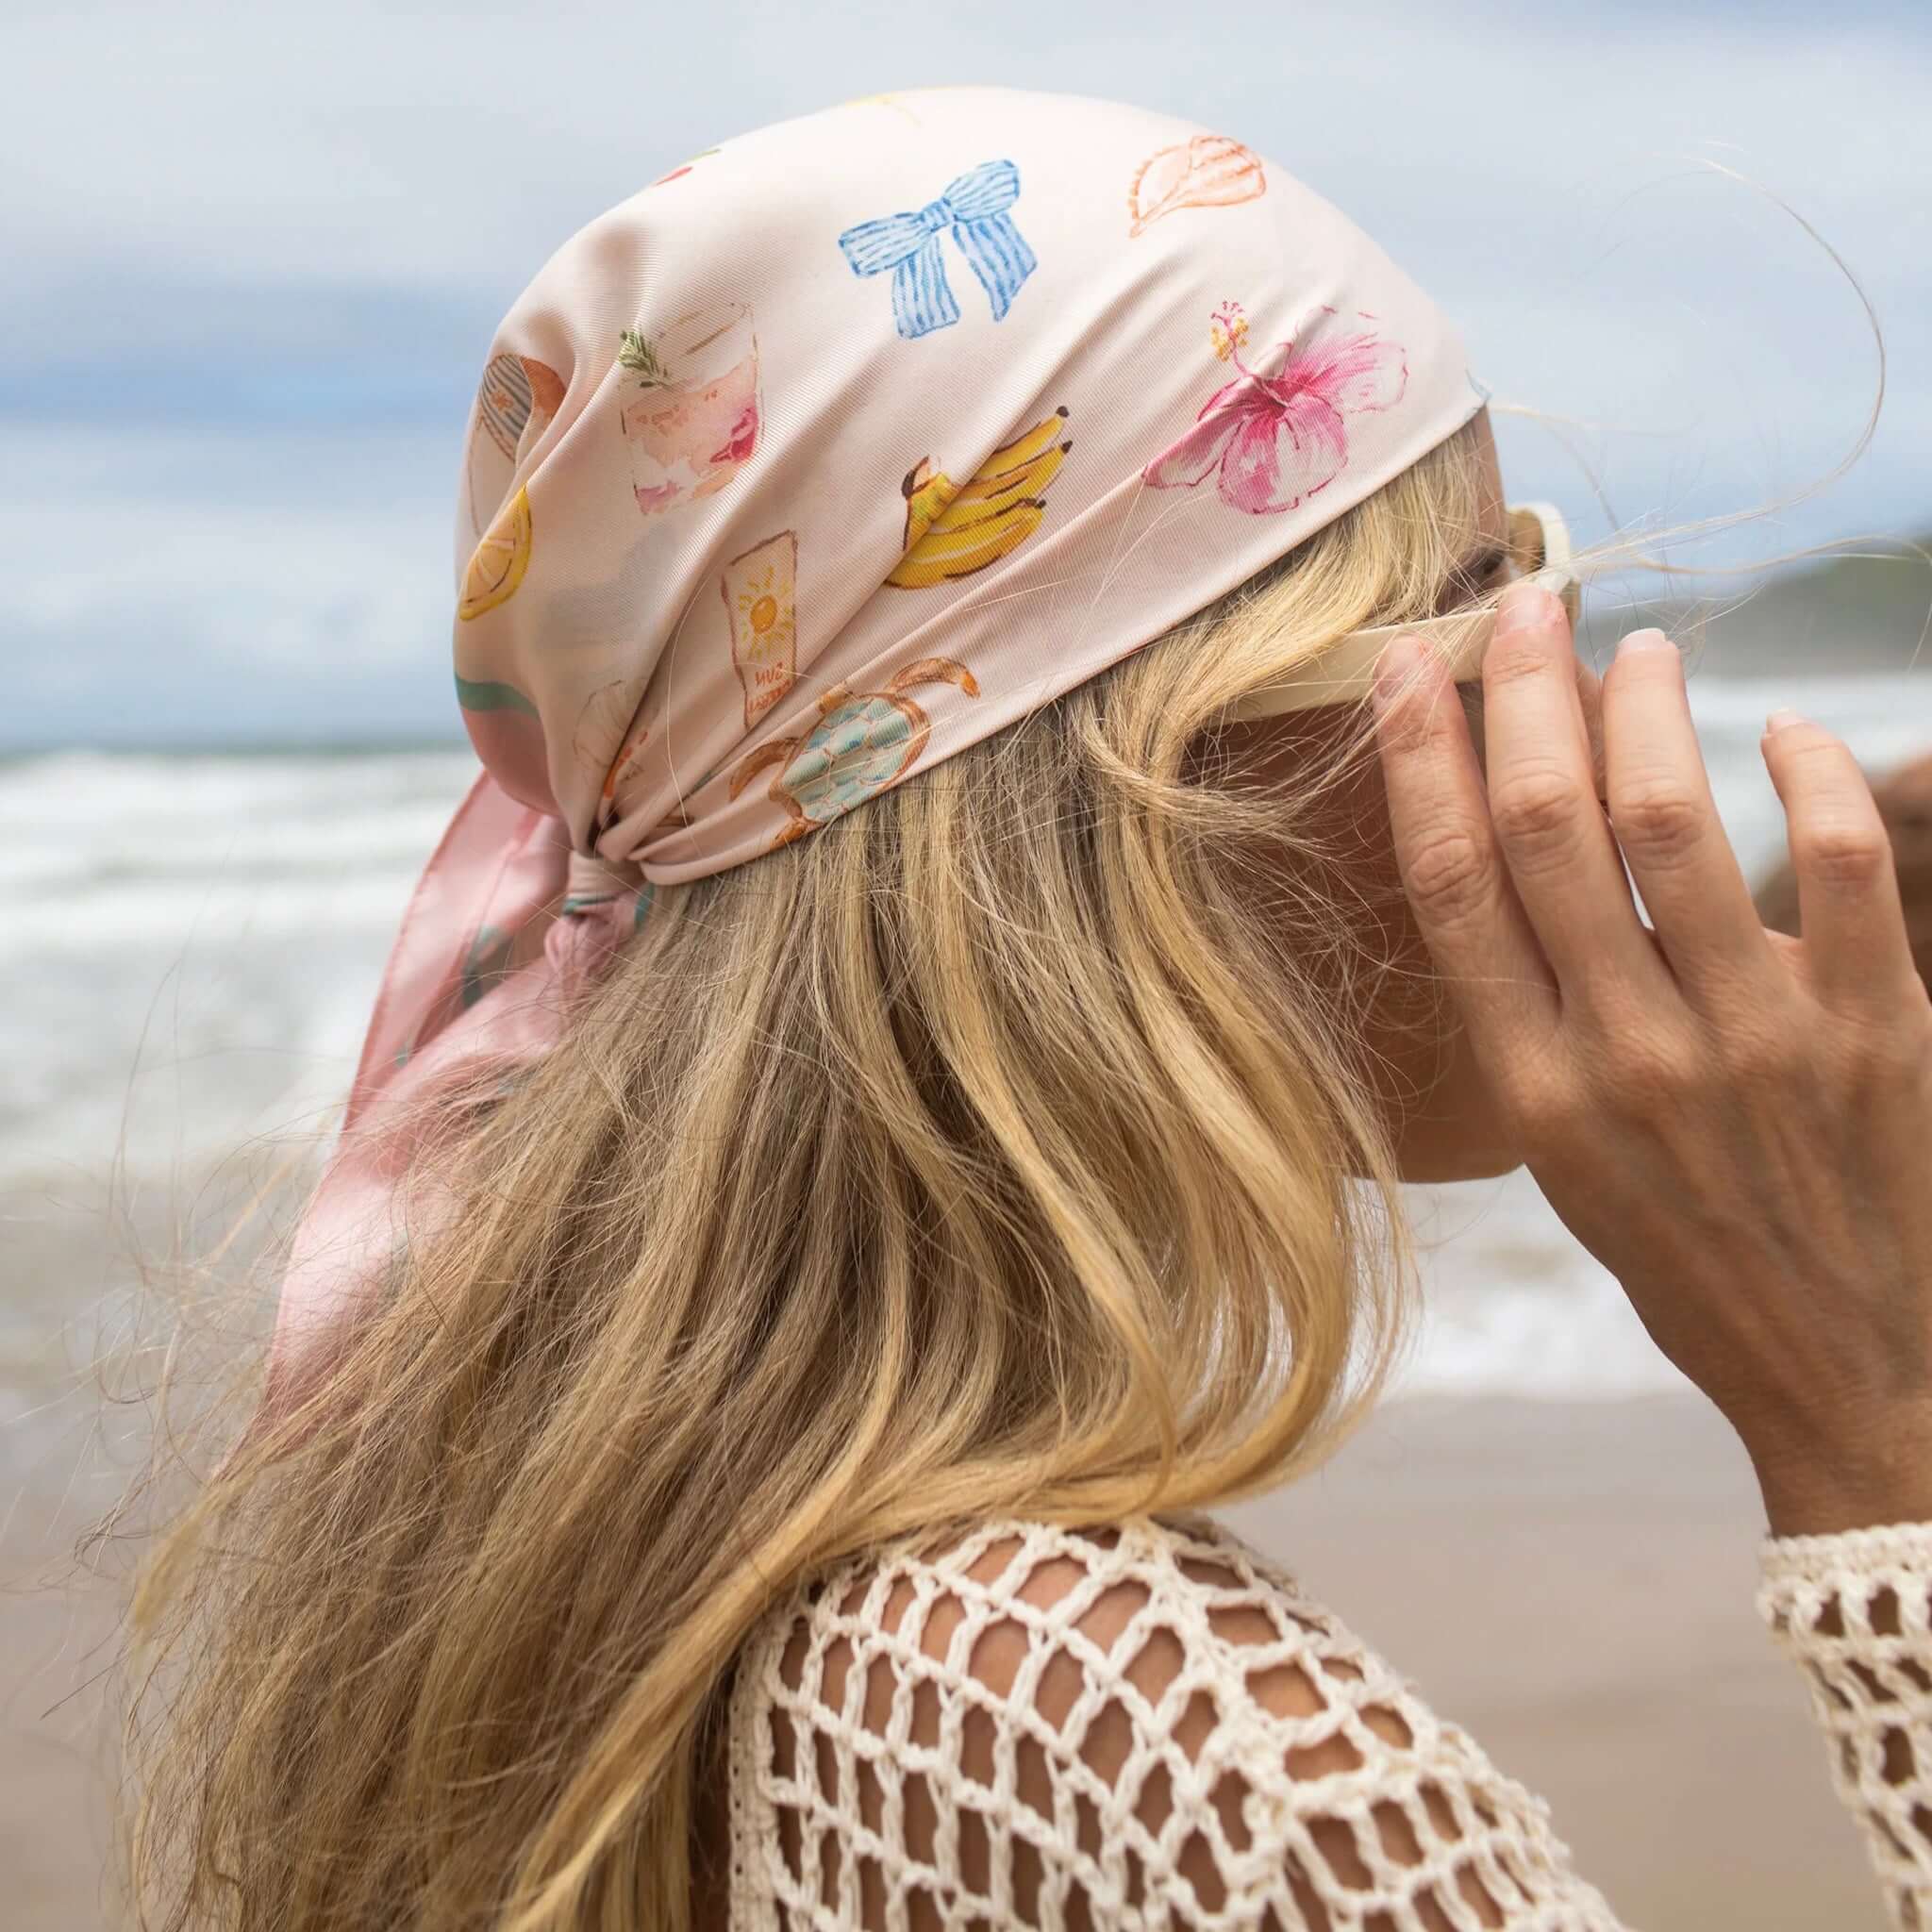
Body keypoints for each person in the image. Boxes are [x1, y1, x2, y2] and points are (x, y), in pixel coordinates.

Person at [119, 87, 1932, 1930]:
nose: (1551, 721)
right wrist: (1876, 1422)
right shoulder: (1182, 1762)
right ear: (1155, 791)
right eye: (1485, 607)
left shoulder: (594, 1561)